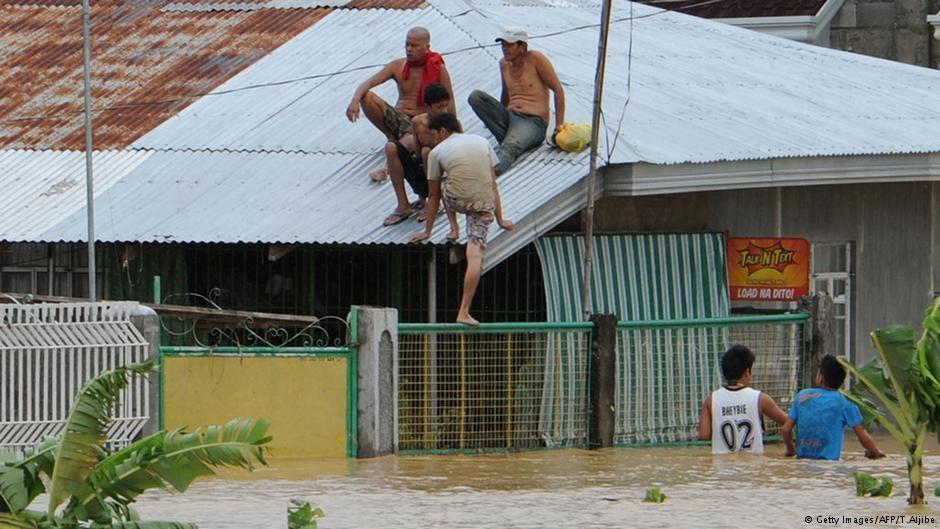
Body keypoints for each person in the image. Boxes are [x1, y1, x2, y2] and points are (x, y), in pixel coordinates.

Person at [409, 113, 514, 326]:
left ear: (442, 132)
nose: (433, 140)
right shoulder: (483, 142)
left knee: (445, 181)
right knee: (474, 255)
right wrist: (501, 219)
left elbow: (434, 196)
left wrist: (427, 231)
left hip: (456, 200)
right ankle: (464, 311)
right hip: (484, 206)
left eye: (434, 135)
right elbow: (492, 184)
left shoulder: (437, 152)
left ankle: (454, 228)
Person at [345, 27, 456, 225]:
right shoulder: (398, 66)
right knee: (367, 96)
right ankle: (402, 204)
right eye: (407, 44)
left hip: (422, 123)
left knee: (407, 144)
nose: (409, 49)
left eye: (414, 45)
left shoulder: (437, 67)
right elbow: (369, 82)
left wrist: (454, 134)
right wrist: (354, 99)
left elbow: (450, 102)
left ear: (426, 47)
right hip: (400, 119)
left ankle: (427, 197)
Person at [468, 26, 565, 175]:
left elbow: (558, 90)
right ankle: (511, 139)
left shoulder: (536, 59)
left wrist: (559, 126)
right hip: (510, 117)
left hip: (532, 121)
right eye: (503, 45)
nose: (505, 49)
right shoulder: (504, 64)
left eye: (509, 45)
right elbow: (506, 93)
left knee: (509, 148)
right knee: (475, 97)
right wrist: (496, 115)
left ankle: (484, 174)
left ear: (522, 46)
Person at [782, 355, 885, 460]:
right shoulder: (846, 401)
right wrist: (875, 451)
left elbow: (786, 429)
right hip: (830, 464)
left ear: (820, 377)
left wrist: (790, 449)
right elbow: (862, 434)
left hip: (802, 461)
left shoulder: (802, 396)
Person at [698, 344, 793, 455]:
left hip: (722, 468)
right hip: (753, 467)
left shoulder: (711, 399)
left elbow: (704, 435)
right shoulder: (760, 398)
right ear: (747, 372)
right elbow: (788, 423)